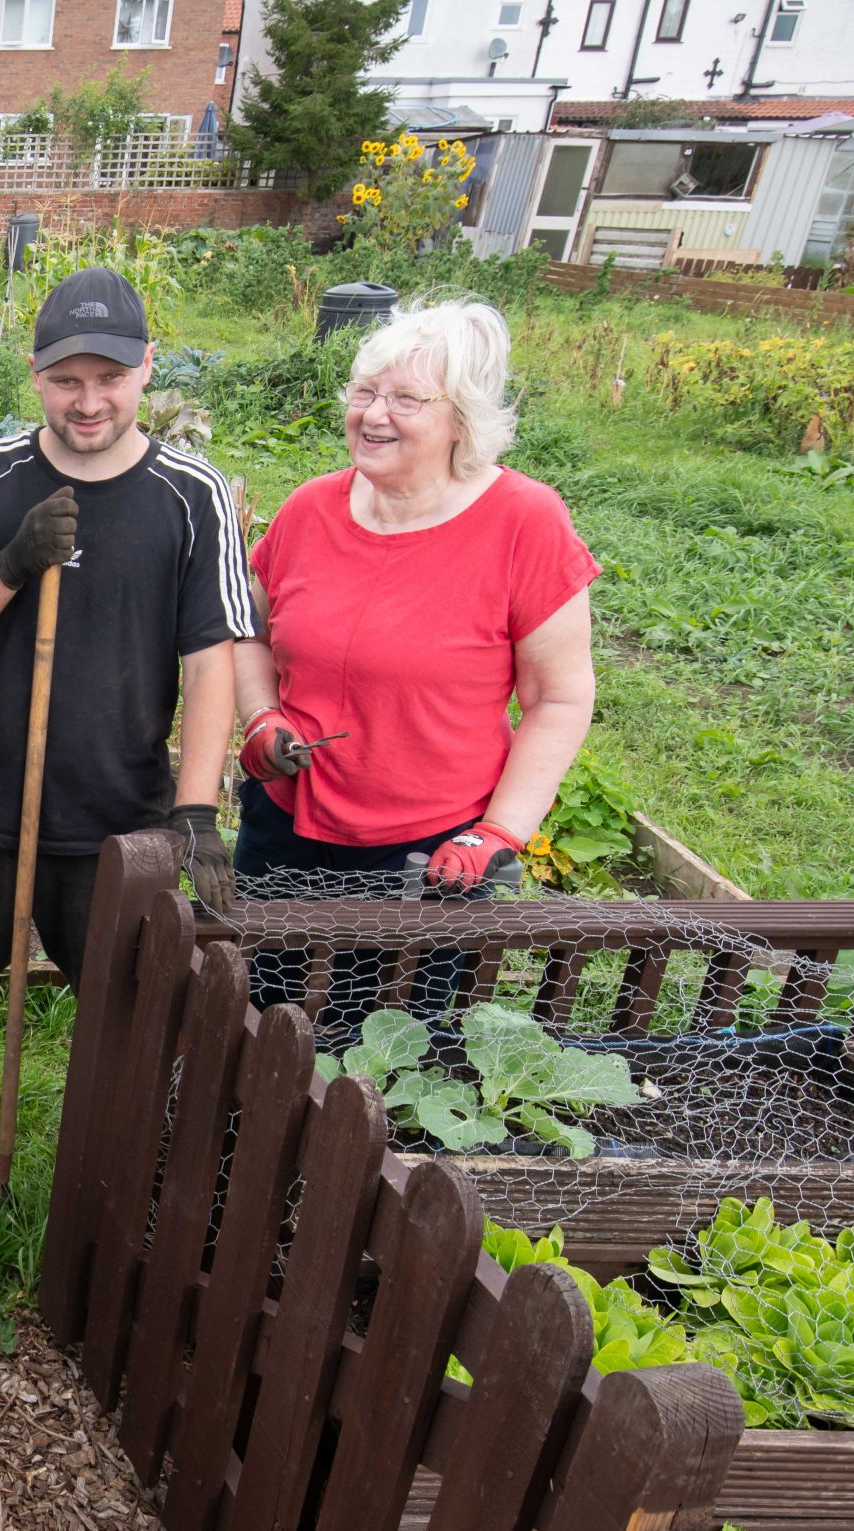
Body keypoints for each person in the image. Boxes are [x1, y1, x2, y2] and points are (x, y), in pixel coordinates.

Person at [0, 266, 252, 1206]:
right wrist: (9, 563)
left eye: (110, 378)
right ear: (35, 373)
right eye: (66, 379)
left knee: (123, 996)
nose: (89, 401)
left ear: (147, 369)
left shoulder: (190, 496)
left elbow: (213, 661)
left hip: (119, 816)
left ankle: (123, 1143)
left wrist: (196, 809)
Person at [231, 298, 597, 1006]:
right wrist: (259, 718)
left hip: (428, 856)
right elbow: (249, 626)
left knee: (389, 1047)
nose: (373, 414)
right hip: (285, 824)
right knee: (263, 1014)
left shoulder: (525, 523)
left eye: (404, 399)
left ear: (462, 419)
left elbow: (561, 697)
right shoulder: (311, 508)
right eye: (364, 393)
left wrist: (498, 833)